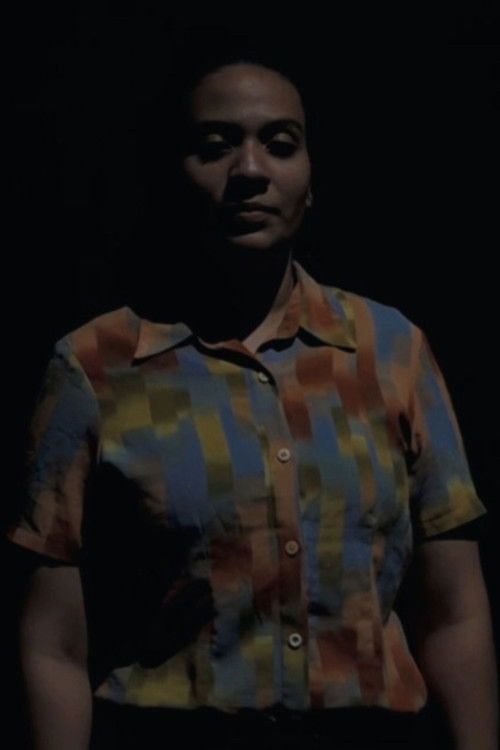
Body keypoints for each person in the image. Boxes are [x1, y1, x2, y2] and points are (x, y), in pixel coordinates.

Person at [6, 56, 498, 750]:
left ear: (310, 178)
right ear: (170, 174)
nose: (249, 170)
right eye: (215, 146)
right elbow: (52, 644)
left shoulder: (391, 351)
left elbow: (453, 614)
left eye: (280, 143)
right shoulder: (95, 367)